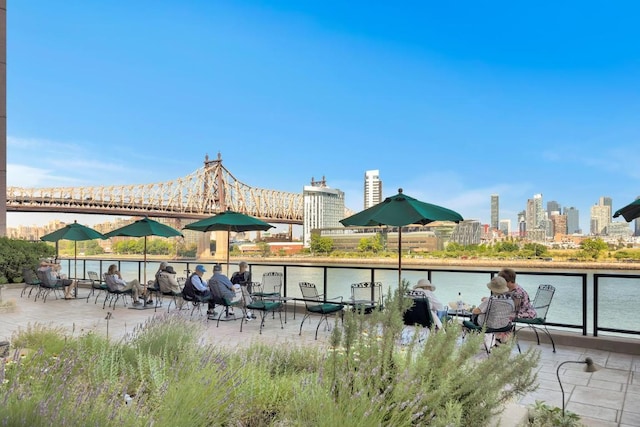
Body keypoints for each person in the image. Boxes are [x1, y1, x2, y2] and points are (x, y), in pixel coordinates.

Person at [469, 276, 515, 345]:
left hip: (488, 326)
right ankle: (496, 340)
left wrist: (471, 309)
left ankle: (474, 341)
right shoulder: (511, 301)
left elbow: (476, 311)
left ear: (493, 289)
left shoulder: (490, 300)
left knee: (474, 314)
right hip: (504, 326)